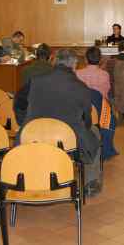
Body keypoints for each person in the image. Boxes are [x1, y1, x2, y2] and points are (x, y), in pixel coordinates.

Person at [19, 49, 103, 195]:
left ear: (54, 61)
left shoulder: (35, 81)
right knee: (95, 132)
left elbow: (19, 103)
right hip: (67, 140)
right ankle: (90, 183)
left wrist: (26, 123)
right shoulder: (81, 87)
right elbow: (87, 119)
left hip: (33, 135)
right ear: (74, 65)